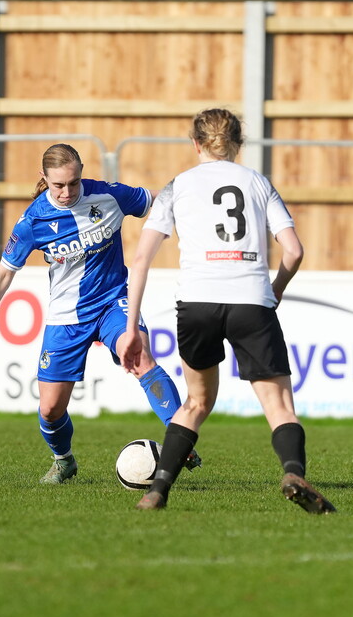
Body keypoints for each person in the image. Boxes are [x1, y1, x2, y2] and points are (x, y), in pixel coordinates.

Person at [121, 108, 336, 514]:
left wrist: (132, 326)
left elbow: (142, 258)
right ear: (239, 144)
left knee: (196, 403)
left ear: (196, 143)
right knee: (279, 406)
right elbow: (294, 250)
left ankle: (158, 490)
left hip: (197, 303)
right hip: (250, 300)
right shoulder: (257, 183)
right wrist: (273, 291)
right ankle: (293, 472)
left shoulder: (177, 186)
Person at [0, 143, 200, 484]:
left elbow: (161, 199)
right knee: (50, 410)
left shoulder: (109, 196)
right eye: (58, 185)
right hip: (66, 317)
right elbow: (4, 273)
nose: (66, 192)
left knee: (140, 358)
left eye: (73, 183)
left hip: (113, 302)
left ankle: (182, 438)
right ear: (43, 179)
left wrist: (196, 194)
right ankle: (63, 461)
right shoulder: (34, 220)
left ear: (81, 174)